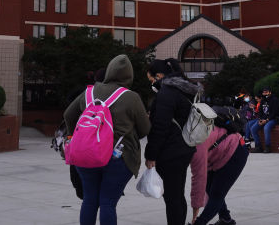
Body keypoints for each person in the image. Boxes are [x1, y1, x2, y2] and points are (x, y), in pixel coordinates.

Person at [65, 54, 150, 225]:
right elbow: (145, 129)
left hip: (87, 154)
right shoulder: (131, 97)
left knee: (89, 199)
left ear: (110, 71)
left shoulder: (89, 92)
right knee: (107, 203)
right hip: (119, 156)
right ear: (129, 75)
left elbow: (68, 115)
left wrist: (74, 136)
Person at [144, 59, 198, 225]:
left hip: (171, 152)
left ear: (160, 75)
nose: (152, 83)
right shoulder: (184, 90)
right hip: (185, 147)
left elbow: (160, 127)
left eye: (152, 79)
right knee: (177, 194)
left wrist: (151, 155)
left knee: (172, 198)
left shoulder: (166, 93)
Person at [188, 121, 248, 225]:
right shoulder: (190, 133)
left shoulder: (197, 145)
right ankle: (226, 219)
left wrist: (195, 212)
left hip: (236, 151)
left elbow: (198, 180)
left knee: (216, 194)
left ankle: (200, 223)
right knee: (210, 188)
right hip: (219, 154)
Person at [250, 86, 279, 154]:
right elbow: (260, 111)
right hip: (263, 119)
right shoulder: (263, 100)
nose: (265, 94)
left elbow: (274, 113)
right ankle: (258, 147)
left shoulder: (275, 100)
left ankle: (267, 147)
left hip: (272, 119)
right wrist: (260, 119)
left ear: (270, 92)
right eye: (263, 92)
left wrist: (267, 120)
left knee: (266, 128)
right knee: (253, 129)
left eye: (266, 92)